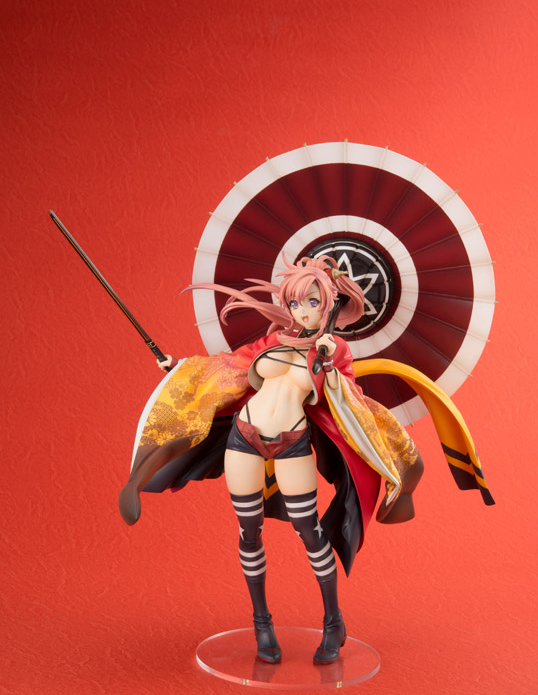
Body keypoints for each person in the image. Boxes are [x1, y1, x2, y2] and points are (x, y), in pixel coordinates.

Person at [120, 254, 474, 664]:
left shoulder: (336, 349)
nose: (302, 311)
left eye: (312, 302)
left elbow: (352, 403)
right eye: (294, 302)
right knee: (248, 532)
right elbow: (227, 367)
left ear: (330, 305)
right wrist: (178, 367)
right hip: (243, 437)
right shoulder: (272, 342)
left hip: (291, 442)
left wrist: (329, 367)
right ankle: (262, 623)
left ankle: (333, 621)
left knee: (309, 532)